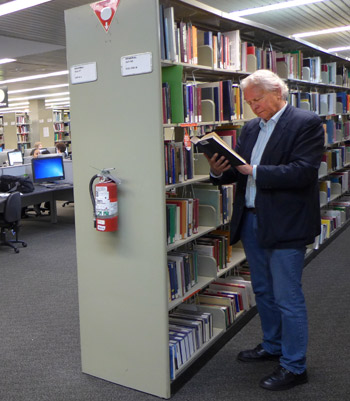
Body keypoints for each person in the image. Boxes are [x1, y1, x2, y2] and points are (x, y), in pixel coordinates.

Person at [205, 69, 324, 391]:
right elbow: (239, 175)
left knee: (288, 296)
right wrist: (219, 173)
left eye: (257, 100)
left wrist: (256, 170)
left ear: (277, 92)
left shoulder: (306, 122)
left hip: (286, 223)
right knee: (264, 292)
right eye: (249, 102)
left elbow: (303, 172)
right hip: (253, 220)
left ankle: (295, 366)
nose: (253, 107)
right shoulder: (251, 128)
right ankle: (272, 346)